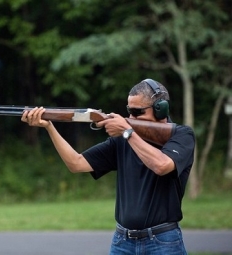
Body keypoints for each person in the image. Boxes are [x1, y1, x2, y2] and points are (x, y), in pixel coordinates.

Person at [21, 79, 195, 255]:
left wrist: (127, 132)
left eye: (137, 112)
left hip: (163, 241)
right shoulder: (122, 139)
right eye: (129, 111)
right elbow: (76, 163)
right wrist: (49, 127)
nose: (130, 118)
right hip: (123, 241)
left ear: (161, 109)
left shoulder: (181, 135)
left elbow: (161, 165)